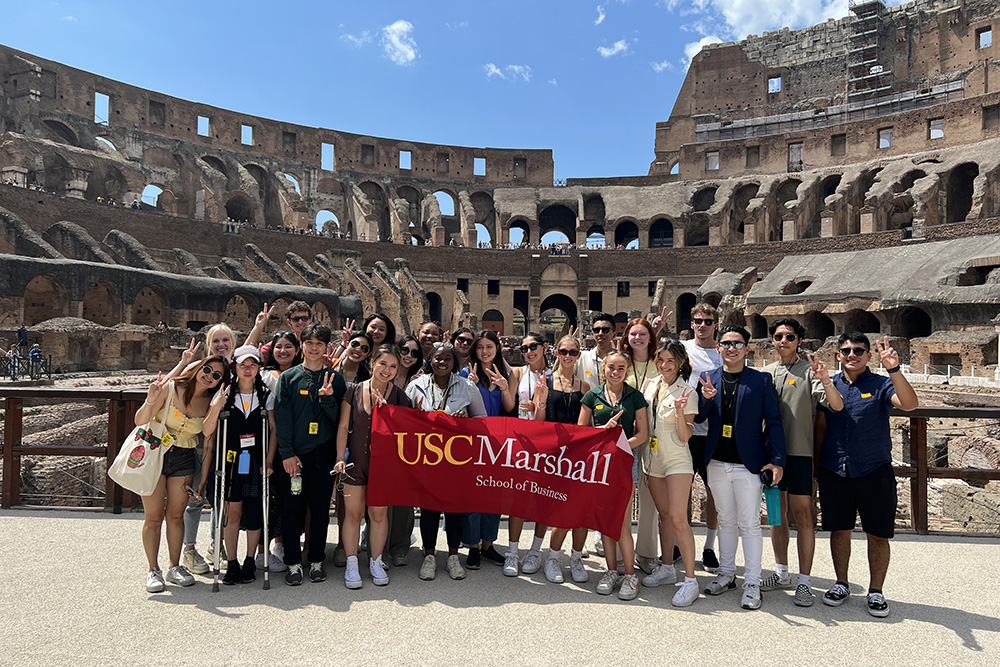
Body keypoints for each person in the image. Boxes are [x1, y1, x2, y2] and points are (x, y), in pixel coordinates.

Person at [819, 333, 918, 617]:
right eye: (847, 350)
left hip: (873, 468)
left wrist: (894, 369)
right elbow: (818, 425)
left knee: (877, 533)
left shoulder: (881, 384)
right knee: (839, 530)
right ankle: (841, 582)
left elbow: (910, 404)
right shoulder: (829, 385)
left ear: (868, 356)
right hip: (835, 467)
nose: (852, 355)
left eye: (858, 350)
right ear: (838, 355)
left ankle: (876, 590)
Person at [696, 325, 786, 610]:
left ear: (747, 349)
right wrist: (705, 399)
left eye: (737, 344)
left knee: (748, 523)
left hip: (749, 463)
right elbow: (699, 415)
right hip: (717, 460)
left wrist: (778, 460)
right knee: (725, 520)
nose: (731, 348)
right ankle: (726, 573)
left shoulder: (760, 381)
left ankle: (752, 581)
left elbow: (774, 421)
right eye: (726, 343)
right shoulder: (708, 378)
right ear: (719, 348)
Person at [761, 318, 844, 606]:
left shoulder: (809, 372)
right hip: (771, 456)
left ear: (799, 340)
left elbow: (835, 404)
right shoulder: (766, 374)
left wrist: (825, 380)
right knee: (776, 515)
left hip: (798, 455)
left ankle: (805, 581)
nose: (784, 341)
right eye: (779, 336)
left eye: (790, 337)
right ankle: (781, 571)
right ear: (772, 340)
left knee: (803, 515)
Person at [136, 356, 227, 592]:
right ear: (198, 368)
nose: (209, 376)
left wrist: (215, 409)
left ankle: (174, 566)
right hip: (156, 455)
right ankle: (152, 569)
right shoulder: (171, 387)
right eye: (207, 369)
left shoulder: (209, 402)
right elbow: (140, 420)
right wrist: (151, 399)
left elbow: (207, 439)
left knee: (176, 516)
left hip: (184, 458)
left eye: (216, 375)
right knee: (154, 517)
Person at [405, 343, 487, 581]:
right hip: (427, 458)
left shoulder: (467, 386)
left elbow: (482, 420)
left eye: (448, 359)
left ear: (454, 362)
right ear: (430, 360)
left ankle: (452, 555)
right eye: (438, 358)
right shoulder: (416, 386)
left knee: (455, 509)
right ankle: (429, 555)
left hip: (456, 458)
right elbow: (403, 419)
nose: (442, 362)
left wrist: (467, 420)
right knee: (429, 509)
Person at [273, 324, 347, 585]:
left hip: (323, 452)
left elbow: (339, 420)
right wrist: (287, 453)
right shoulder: (289, 378)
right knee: (292, 509)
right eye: (309, 342)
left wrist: (327, 399)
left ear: (327, 347)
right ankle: (293, 563)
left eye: (319, 343)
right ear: (302, 345)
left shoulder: (335, 379)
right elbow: (281, 419)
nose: (314, 348)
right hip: (295, 454)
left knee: (319, 509)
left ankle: (316, 560)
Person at [333, 345, 413, 589]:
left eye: (392, 367)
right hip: (355, 463)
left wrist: (387, 412)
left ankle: (376, 561)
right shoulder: (354, 391)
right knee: (353, 514)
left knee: (378, 515)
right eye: (383, 364)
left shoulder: (399, 397)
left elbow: (409, 432)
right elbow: (343, 427)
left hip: (384, 466)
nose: (387, 370)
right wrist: (339, 457)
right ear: (372, 364)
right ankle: (352, 562)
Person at [197, 346, 277, 585]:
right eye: (243, 365)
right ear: (235, 367)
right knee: (232, 513)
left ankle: (250, 560)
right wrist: (216, 407)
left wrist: (269, 460)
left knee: (254, 512)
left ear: (259, 368)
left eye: (253, 365)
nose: (248, 369)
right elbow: (207, 430)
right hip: (231, 460)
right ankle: (232, 562)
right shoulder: (224, 393)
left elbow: (273, 429)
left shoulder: (265, 395)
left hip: (255, 461)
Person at [579, 350, 649, 601]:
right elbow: (582, 431)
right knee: (605, 520)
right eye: (611, 367)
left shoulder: (635, 396)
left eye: (621, 368)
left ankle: (630, 575)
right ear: (604, 369)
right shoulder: (592, 396)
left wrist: (620, 443)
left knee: (621, 521)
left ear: (627, 370)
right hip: (599, 464)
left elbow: (643, 434)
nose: (615, 372)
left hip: (623, 462)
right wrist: (603, 431)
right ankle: (611, 571)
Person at [640, 340, 701, 606]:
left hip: (677, 459)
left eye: (670, 361)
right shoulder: (650, 385)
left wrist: (679, 413)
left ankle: (690, 580)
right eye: (661, 360)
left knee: (678, 518)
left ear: (680, 364)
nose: (665, 366)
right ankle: (666, 567)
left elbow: (686, 435)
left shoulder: (687, 392)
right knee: (663, 516)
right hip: (652, 458)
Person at [533, 335, 591, 584]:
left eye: (573, 352)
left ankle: (573, 557)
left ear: (579, 355)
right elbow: (538, 421)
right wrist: (542, 398)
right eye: (563, 351)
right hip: (551, 450)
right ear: (556, 353)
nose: (567, 356)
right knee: (548, 505)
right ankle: (542, 553)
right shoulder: (544, 381)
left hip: (576, 454)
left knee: (578, 507)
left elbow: (587, 425)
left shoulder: (585, 386)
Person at [459, 330, 515, 569]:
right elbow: (461, 408)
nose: (484, 351)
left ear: (497, 348)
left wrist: (503, 387)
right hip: (474, 442)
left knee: (493, 494)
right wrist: (469, 387)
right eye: (480, 347)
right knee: (473, 495)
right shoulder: (466, 373)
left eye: (489, 346)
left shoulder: (508, 374)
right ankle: (472, 545)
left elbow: (510, 407)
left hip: (498, 443)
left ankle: (487, 544)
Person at [504, 333, 551, 577]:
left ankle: (535, 550)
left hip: (546, 444)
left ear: (543, 348)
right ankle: (512, 552)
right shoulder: (518, 373)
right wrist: (504, 388)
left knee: (543, 500)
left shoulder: (553, 376)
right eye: (524, 348)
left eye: (533, 347)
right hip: (522, 443)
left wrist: (539, 405)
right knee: (518, 499)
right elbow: (510, 406)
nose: (529, 351)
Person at [682, 303, 722, 570]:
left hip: (711, 432)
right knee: (681, 491)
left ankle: (709, 546)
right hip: (682, 429)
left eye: (708, 321)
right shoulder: (683, 349)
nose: (703, 325)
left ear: (716, 324)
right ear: (692, 322)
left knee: (712, 493)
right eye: (699, 320)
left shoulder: (723, 354)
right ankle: (678, 544)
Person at [620, 318, 660, 576]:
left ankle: (645, 552)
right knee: (620, 496)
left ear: (650, 337)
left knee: (649, 497)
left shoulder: (660, 363)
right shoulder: (622, 362)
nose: (637, 338)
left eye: (643, 334)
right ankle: (616, 549)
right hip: (625, 436)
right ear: (626, 337)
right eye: (633, 334)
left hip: (654, 433)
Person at [576, 312, 616, 556]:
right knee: (586, 485)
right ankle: (581, 538)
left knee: (608, 486)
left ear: (613, 332)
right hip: (587, 431)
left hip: (612, 431)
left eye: (605, 329)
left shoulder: (621, 359)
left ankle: (603, 536)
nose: (600, 333)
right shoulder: (582, 358)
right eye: (597, 329)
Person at [248, 301, 312, 365]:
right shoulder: (283, 341)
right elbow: (245, 353)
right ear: (289, 322)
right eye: (296, 319)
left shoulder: (319, 342)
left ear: (311, 321)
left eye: (304, 318)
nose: (300, 322)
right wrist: (257, 327)